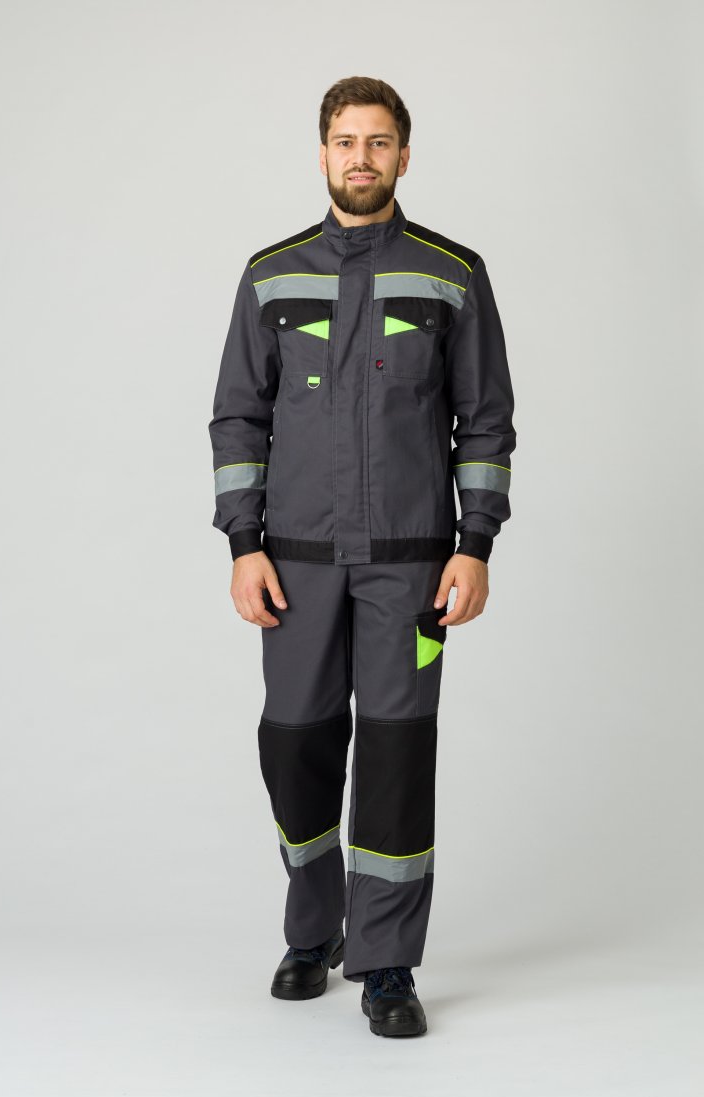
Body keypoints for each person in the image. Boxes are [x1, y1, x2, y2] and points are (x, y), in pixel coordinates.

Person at [207, 75, 516, 1038]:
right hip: (294, 565)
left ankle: (386, 963)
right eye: (346, 141)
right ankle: (313, 931)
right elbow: (237, 418)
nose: (361, 158)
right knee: (295, 745)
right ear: (322, 154)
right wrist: (243, 545)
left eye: (379, 142)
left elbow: (486, 419)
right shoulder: (271, 276)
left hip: (412, 570)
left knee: (394, 754)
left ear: (404, 156)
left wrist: (474, 545)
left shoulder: (451, 273)